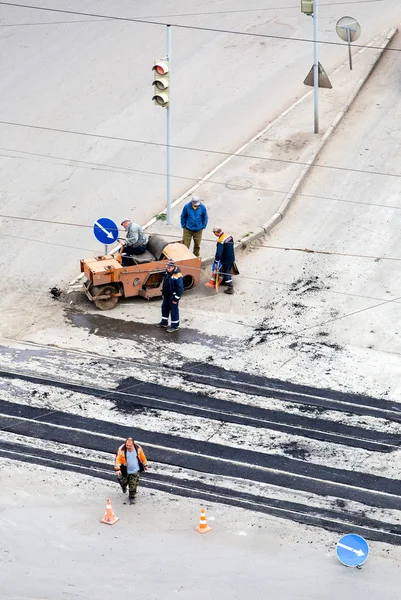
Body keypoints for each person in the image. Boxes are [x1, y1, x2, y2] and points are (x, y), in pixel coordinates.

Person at [115, 437, 148, 504]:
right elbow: (118, 459)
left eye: (130, 446)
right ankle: (123, 486)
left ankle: (132, 497)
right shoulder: (121, 450)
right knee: (123, 481)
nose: (128, 447)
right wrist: (117, 469)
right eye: (127, 445)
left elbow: (142, 457)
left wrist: (145, 465)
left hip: (135, 470)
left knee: (133, 484)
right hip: (125, 470)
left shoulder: (138, 448)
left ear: (133, 444)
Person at [155, 260, 184, 332]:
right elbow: (165, 284)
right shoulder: (167, 273)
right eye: (167, 268)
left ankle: (174, 326)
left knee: (174, 311)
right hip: (167, 295)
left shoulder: (178, 275)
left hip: (173, 296)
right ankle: (164, 322)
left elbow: (180, 288)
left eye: (169, 268)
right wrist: (163, 294)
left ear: (173, 267)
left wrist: (176, 299)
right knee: (164, 308)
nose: (167, 269)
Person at [212, 227, 235, 295]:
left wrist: (216, 261)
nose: (214, 234)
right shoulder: (229, 236)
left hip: (226, 259)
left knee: (226, 272)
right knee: (226, 269)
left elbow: (219, 253)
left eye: (214, 233)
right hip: (231, 256)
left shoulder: (221, 241)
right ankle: (225, 281)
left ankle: (230, 287)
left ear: (216, 232)